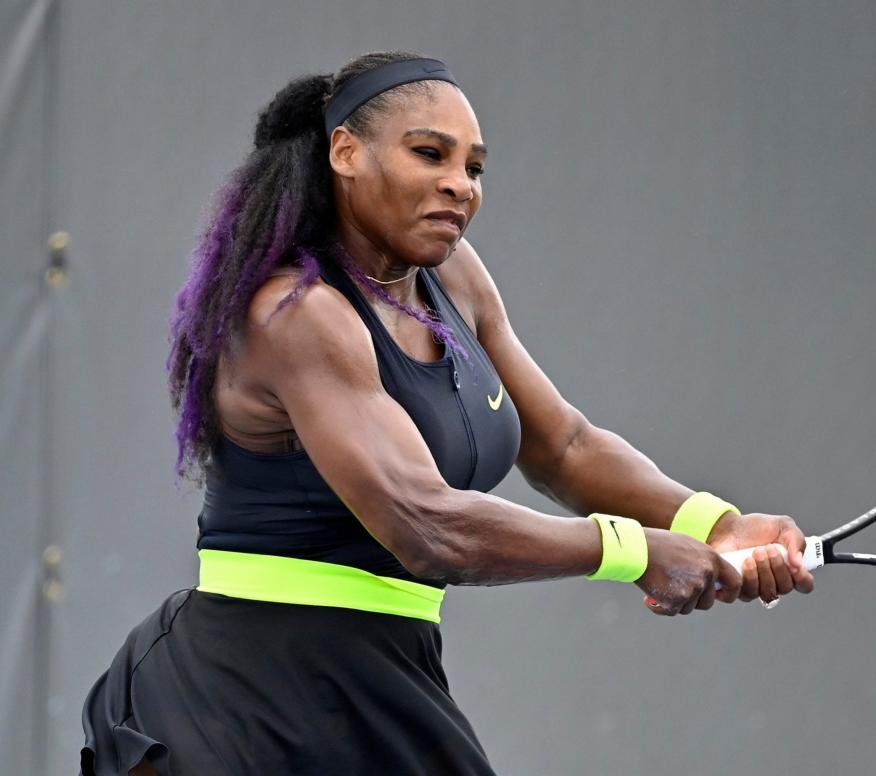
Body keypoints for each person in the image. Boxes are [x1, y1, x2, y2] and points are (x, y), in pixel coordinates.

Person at [80, 50, 815, 776]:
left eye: (474, 168)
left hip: (381, 678)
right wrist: (636, 552)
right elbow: (429, 526)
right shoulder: (296, 314)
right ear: (346, 153)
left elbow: (563, 445)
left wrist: (711, 524)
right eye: (430, 154)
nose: (458, 185)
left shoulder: (454, 279)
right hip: (234, 702)